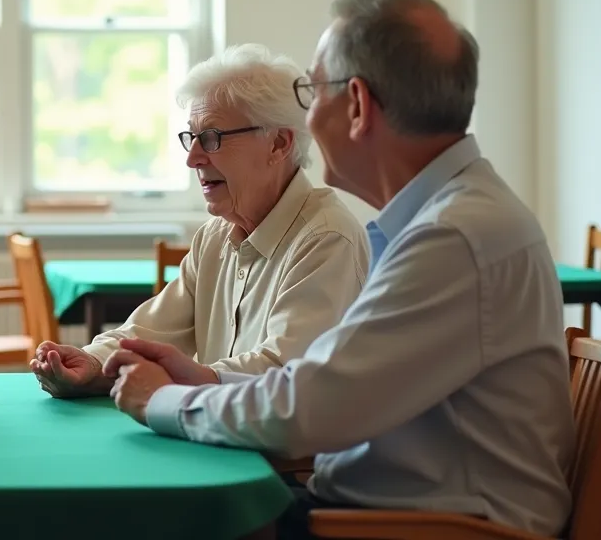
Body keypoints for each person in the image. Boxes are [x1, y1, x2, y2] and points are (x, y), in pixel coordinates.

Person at [108, 0, 576, 538]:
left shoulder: (453, 235)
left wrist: (166, 401)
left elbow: (306, 411)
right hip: (382, 512)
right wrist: (205, 380)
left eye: (312, 88)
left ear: (357, 104)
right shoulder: (449, 218)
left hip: (430, 529)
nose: (306, 113)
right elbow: (322, 383)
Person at [30, 44, 369, 399]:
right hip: (219, 435)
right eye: (191, 137)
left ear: (278, 144)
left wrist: (178, 380)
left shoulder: (327, 238)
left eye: (212, 137)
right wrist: (93, 361)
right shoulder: (216, 237)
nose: (193, 158)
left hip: (288, 452)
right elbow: (149, 331)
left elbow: (285, 372)